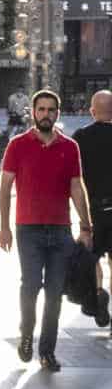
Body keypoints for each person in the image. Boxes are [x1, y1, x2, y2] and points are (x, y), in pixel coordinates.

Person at [0, 87, 96, 371]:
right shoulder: (17, 144)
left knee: (54, 293)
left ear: (57, 112)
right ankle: (27, 334)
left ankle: (47, 351)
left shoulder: (69, 146)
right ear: (33, 112)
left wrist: (86, 227)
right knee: (30, 285)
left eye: (50, 109)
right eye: (40, 109)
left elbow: (77, 188)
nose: (45, 114)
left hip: (61, 230)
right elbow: (4, 189)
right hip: (28, 229)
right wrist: (4, 227)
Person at [72, 89, 112, 328]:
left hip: (94, 208)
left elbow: (74, 178)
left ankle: (98, 291)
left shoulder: (81, 137)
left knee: (93, 255)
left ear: (92, 111)